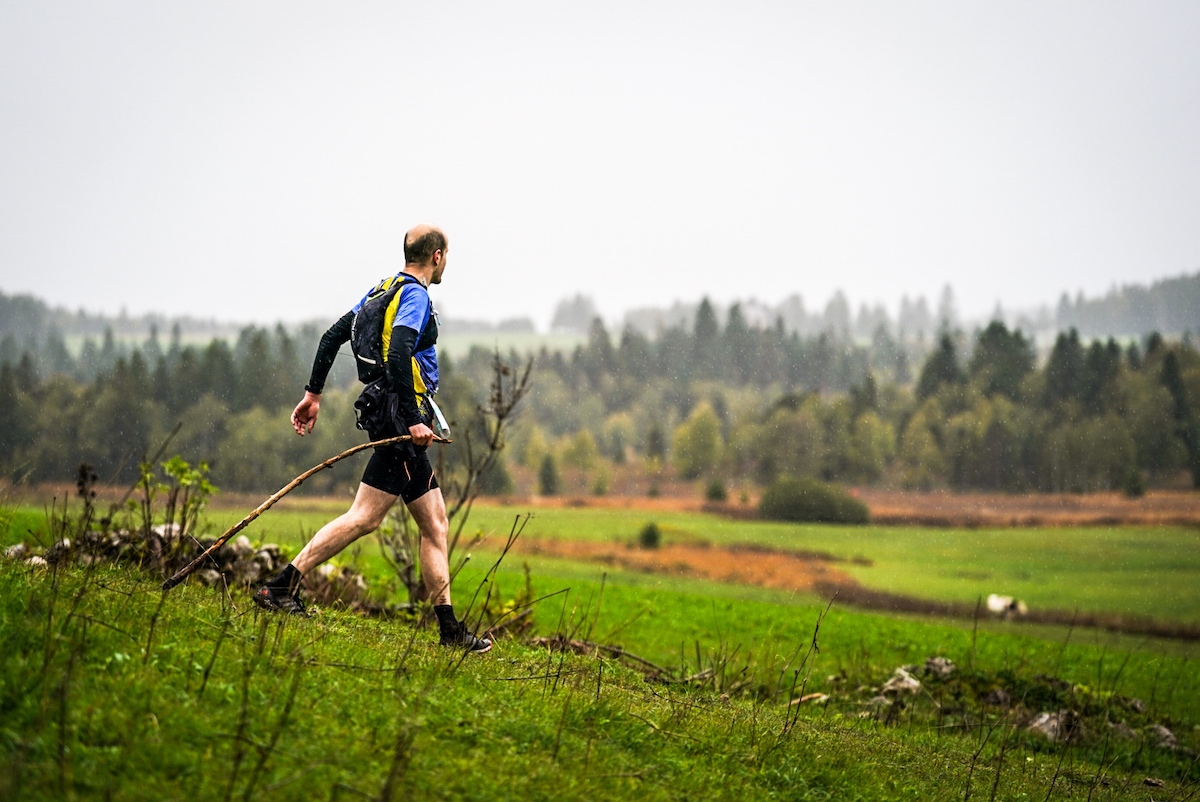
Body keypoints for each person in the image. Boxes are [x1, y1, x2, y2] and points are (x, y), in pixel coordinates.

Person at [253, 224, 492, 654]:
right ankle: (281, 586)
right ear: (437, 256)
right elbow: (399, 351)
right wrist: (414, 420)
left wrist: (313, 395)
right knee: (365, 517)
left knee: (434, 522)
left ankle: (449, 630)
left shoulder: (383, 289)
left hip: (391, 412)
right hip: (400, 419)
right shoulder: (415, 296)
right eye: (446, 257)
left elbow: (332, 337)